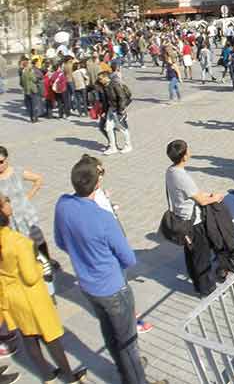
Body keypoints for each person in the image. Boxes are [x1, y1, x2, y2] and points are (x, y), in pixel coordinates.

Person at [54, 157, 166, 384]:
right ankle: (135, 378)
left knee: (109, 331)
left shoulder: (63, 204)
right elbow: (128, 257)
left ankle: (125, 369)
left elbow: (60, 242)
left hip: (87, 285)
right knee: (127, 341)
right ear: (97, 185)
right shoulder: (102, 217)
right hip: (113, 287)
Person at [0, 194, 87, 383]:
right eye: (5, 202)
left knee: (29, 337)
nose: (9, 203)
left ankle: (47, 375)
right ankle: (69, 376)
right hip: (31, 296)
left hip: (11, 295)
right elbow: (30, 277)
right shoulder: (19, 242)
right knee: (50, 336)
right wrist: (40, 267)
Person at [164, 140, 223, 297]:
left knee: (191, 255)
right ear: (184, 156)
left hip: (182, 220)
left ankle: (197, 284)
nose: (189, 152)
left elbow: (192, 193)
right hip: (193, 223)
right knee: (202, 257)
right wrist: (215, 197)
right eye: (187, 150)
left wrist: (204, 194)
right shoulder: (182, 176)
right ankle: (208, 290)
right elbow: (202, 201)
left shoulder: (170, 171)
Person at [0, 147, 58, 272]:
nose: (0, 166)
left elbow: (38, 179)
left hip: (27, 213)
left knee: (38, 239)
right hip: (10, 218)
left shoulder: (17, 172)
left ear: (7, 159)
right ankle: (28, 264)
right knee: (21, 243)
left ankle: (47, 260)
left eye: (1, 161)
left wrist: (28, 197)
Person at [97, 72, 132, 155]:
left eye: (100, 79)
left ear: (106, 78)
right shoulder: (105, 86)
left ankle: (128, 145)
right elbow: (106, 101)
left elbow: (122, 97)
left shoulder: (114, 85)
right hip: (111, 109)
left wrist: (121, 110)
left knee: (122, 128)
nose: (99, 80)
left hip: (118, 109)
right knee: (108, 128)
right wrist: (104, 112)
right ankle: (113, 147)